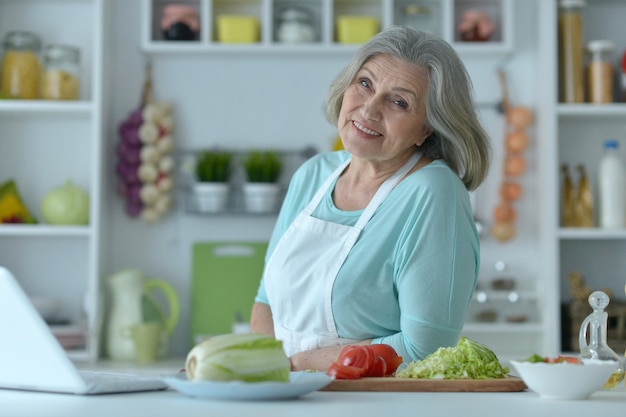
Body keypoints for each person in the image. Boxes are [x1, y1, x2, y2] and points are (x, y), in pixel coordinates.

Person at [250, 26, 491, 371]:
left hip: (373, 401)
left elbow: (424, 347)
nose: (369, 109)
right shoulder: (314, 174)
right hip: (287, 393)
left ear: (428, 129)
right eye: (365, 83)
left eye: (399, 102)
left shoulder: (434, 193)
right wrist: (265, 374)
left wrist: (300, 365)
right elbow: (265, 303)